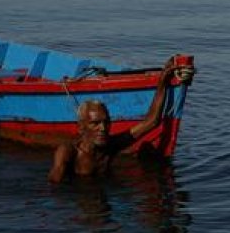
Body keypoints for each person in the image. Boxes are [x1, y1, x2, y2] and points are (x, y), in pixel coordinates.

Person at [47, 57, 194, 184]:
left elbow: (151, 122)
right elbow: (54, 186)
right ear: (81, 127)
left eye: (106, 122)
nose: (103, 128)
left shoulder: (111, 146)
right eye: (95, 123)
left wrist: (163, 81)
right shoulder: (68, 152)